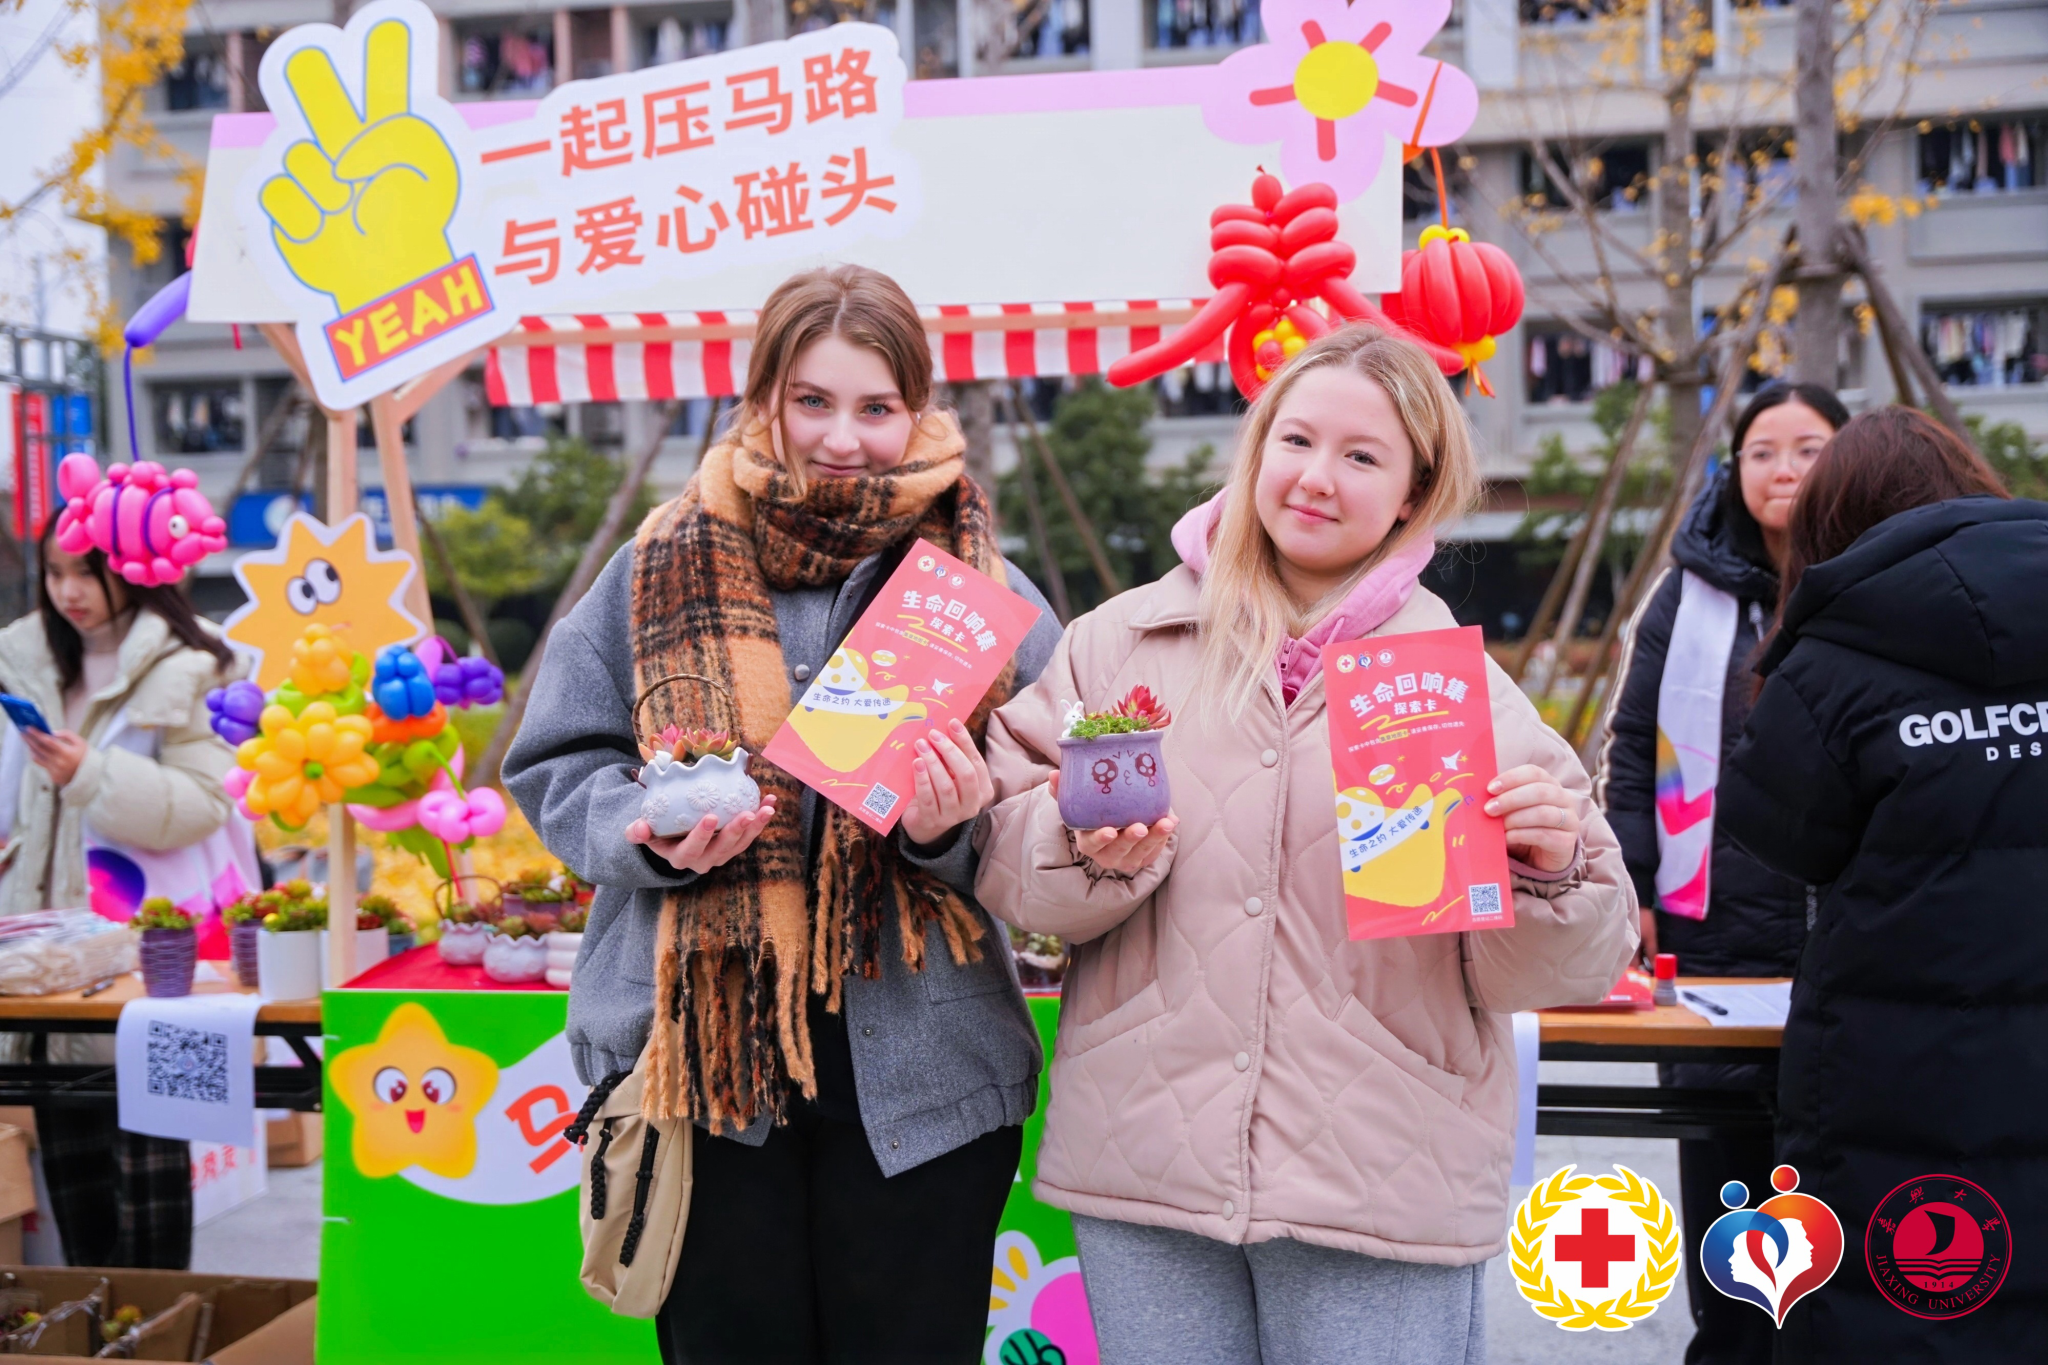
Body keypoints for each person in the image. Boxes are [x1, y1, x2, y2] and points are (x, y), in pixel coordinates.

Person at [973, 326, 1638, 1365]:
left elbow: (1572, 961)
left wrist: (1548, 874)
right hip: (1148, 1160)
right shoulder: (1118, 644)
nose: (1316, 477)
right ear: (1256, 450)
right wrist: (1090, 853)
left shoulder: (1455, 687)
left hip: (1381, 1174)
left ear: (1413, 494)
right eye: (1295, 440)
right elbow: (1010, 861)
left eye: (1362, 456)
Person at [504, 264, 1062, 1365]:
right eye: (811, 400)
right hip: (700, 1068)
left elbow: (1051, 816)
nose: (841, 438)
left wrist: (951, 831)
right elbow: (557, 762)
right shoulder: (654, 565)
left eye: (875, 406)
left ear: (918, 410)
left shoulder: (982, 586)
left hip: (925, 1072)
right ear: (762, 397)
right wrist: (646, 831)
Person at [1719, 407, 2048, 1361]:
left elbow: (1776, 831)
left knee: (1905, 1301)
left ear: (1832, 526)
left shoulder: (1834, 655)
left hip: (1903, 1068)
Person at [1595, 380, 1849, 1365]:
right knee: (1728, 1170)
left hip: (1848, 926)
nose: (1783, 470)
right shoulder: (1687, 593)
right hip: (1715, 925)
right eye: (1761, 452)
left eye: (1808, 448)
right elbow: (1632, 745)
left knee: (1844, 1156)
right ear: (1733, 471)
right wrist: (1635, 883)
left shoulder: (1880, 584)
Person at [0, 514, 242, 1268]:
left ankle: (157, 1322)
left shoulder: (196, 662)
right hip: (46, 962)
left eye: (85, 572)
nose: (67, 591)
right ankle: (94, 1322)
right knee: (71, 1175)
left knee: (153, 1178)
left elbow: (206, 801)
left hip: (155, 960)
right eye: (53, 572)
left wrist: (91, 775)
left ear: (132, 568)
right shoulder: (23, 659)